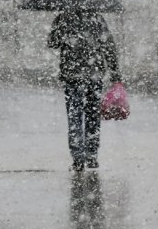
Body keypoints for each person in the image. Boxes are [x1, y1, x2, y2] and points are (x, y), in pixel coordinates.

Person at [48, 9, 121, 171]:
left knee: (74, 117)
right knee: (92, 116)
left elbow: (52, 43)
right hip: (93, 76)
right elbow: (108, 46)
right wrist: (115, 74)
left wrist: (62, 31)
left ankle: (78, 158)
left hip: (72, 76)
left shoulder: (63, 18)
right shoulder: (97, 19)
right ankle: (92, 155)